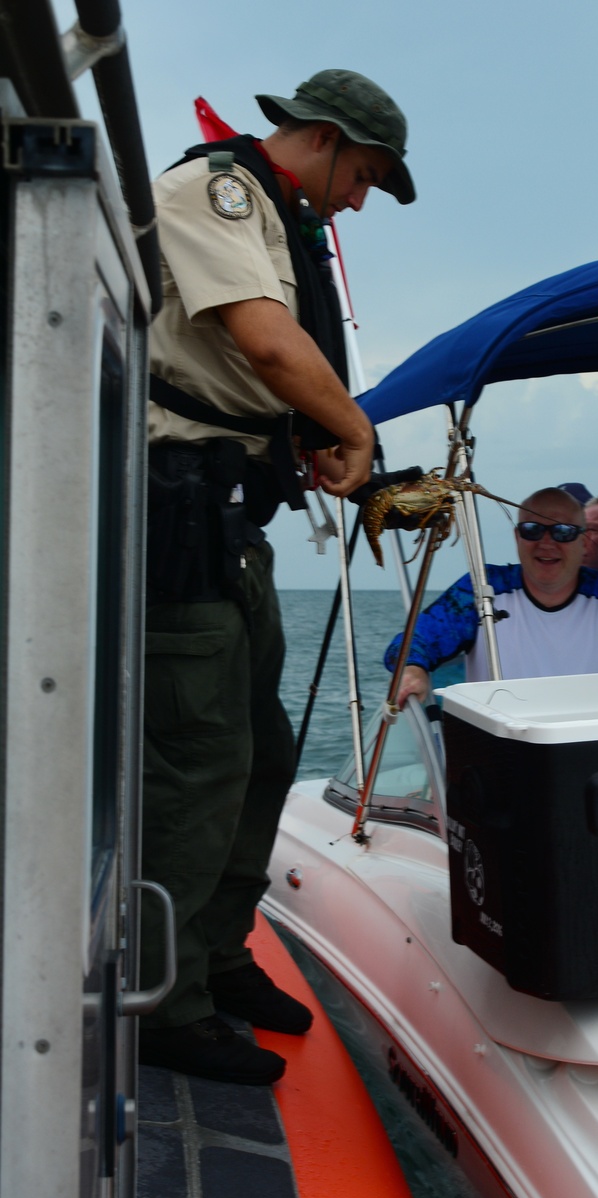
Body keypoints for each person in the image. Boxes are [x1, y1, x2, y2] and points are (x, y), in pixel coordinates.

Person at [139, 70, 415, 1084]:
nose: (355, 203)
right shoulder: (216, 192)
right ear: (329, 141)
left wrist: (315, 442)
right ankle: (161, 1006)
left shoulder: (273, 216)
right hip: (174, 517)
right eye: (364, 179)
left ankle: (213, 958)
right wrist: (353, 428)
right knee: (200, 760)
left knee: (261, 753)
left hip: (230, 517)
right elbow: (262, 339)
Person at [387, 487, 598, 705]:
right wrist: (413, 669)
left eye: (562, 532)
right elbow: (411, 642)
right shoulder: (482, 589)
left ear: (584, 542)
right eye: (532, 530)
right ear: (517, 537)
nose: (546, 543)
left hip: (586, 751)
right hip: (498, 752)